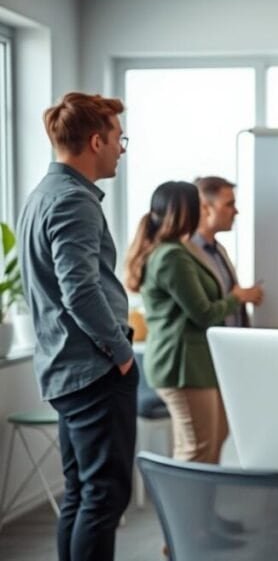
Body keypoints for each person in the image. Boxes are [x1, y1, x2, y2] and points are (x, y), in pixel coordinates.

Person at [17, 92, 136, 561]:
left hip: (68, 371)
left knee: (83, 495)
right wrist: (121, 354)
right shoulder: (73, 201)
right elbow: (80, 291)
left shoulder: (44, 194)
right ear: (95, 141)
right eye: (117, 139)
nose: (121, 149)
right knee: (104, 498)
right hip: (94, 371)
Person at [124, 181, 262, 465]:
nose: (203, 212)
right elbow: (204, 313)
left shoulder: (178, 250)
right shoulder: (172, 256)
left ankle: (200, 509)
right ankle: (186, 510)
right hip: (182, 365)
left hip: (194, 364)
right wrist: (236, 297)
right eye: (199, 207)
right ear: (185, 211)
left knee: (206, 444)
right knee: (196, 448)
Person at [192, 175, 261, 327]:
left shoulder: (219, 250)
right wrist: (237, 297)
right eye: (229, 205)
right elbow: (202, 312)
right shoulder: (188, 254)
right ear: (205, 208)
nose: (235, 211)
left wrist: (243, 295)